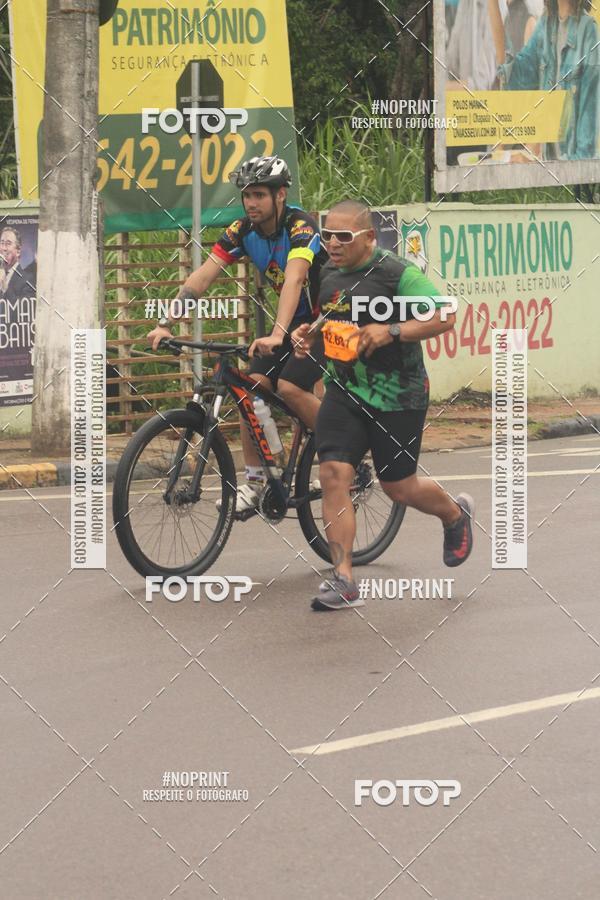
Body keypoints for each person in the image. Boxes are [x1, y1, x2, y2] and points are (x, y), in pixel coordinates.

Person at [292, 200, 475, 611]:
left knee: (398, 486)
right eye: (327, 236)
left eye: (344, 236)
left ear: (369, 237)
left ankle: (454, 514)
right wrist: (311, 335)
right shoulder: (328, 273)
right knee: (334, 473)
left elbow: (445, 316)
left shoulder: (397, 274)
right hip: (345, 389)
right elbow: (333, 318)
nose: (334, 244)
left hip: (399, 395)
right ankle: (343, 578)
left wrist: (392, 330)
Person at [148, 155, 327, 511]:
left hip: (324, 323)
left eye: (259, 194)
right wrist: (166, 321)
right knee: (251, 388)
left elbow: (294, 279)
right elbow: (202, 278)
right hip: (289, 326)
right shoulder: (242, 231)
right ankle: (259, 478)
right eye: (246, 195)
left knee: (291, 387)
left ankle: (344, 450)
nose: (251, 202)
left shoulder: (301, 226)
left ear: (280, 195)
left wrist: (277, 334)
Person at [488, 0, 600, 160]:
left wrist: (537, 167)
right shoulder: (546, 25)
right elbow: (512, 75)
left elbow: (586, 151)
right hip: (550, 167)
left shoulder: (589, 32)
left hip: (571, 176)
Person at [0, 227, 34, 301]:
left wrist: (4, 285)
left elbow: (22, 309)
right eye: (2, 243)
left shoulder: (28, 280)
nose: (4, 248)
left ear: (18, 251)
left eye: (8, 244)